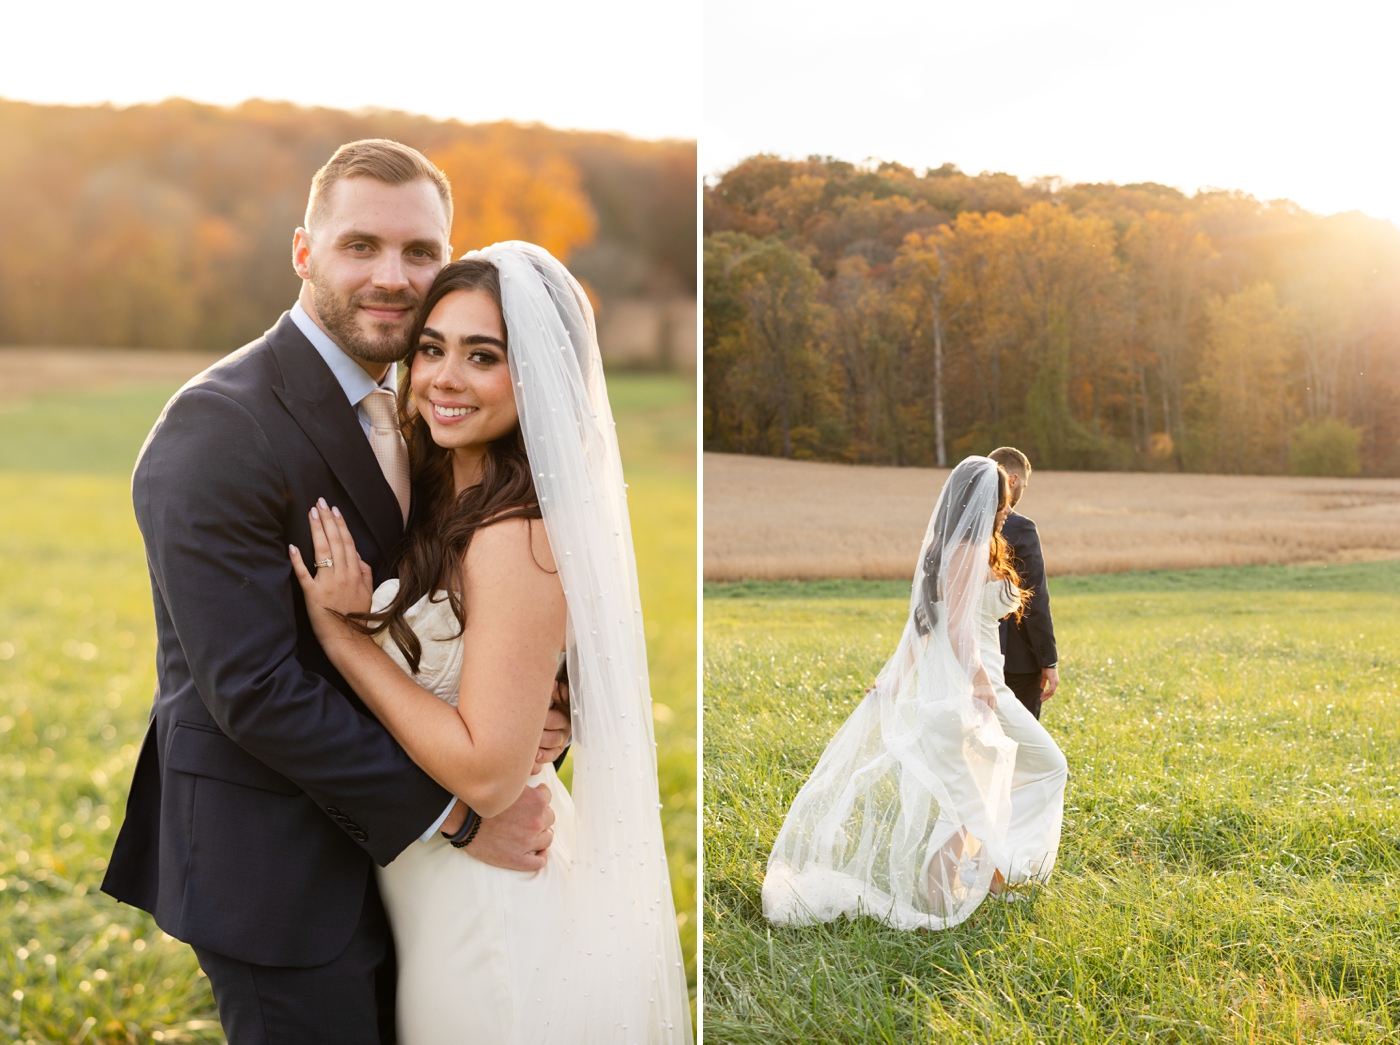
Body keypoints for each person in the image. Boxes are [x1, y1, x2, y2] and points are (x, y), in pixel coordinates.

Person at [102, 140, 567, 1043]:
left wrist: (545, 704)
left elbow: (486, 601)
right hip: (278, 867)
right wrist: (459, 815)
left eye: (419, 252)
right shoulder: (220, 426)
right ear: (304, 251)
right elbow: (253, 688)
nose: (393, 276)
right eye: (361, 245)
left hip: (414, 869)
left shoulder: (431, 414)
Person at [290, 245, 691, 1042]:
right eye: (432, 347)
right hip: (435, 895)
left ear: (538, 378)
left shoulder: (519, 535)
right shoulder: (445, 491)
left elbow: (486, 769)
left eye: (483, 357)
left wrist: (344, 638)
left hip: (487, 911)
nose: (443, 377)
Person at [762, 456, 1068, 931]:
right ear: (980, 502)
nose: (1006, 514)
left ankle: (981, 879)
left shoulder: (954, 549)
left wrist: (897, 680)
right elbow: (959, 629)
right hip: (976, 688)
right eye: (1002, 506)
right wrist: (982, 684)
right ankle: (987, 878)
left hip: (961, 687)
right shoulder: (965, 552)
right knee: (1045, 767)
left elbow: (923, 625)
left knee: (971, 799)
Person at [988, 447, 1059, 720]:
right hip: (1015, 661)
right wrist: (1047, 660)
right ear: (1013, 480)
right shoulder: (1020, 527)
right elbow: (1034, 599)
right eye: (1024, 485)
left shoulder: (955, 527)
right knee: (1022, 750)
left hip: (966, 658)